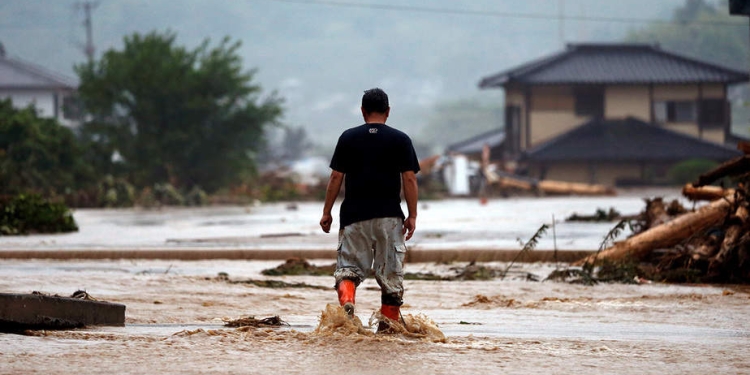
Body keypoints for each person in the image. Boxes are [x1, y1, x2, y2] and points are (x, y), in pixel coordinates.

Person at [319, 88, 420, 332]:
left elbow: (335, 177)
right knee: (390, 278)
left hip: (354, 217)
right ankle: (386, 330)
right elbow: (409, 180)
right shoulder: (401, 139)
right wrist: (413, 216)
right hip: (389, 217)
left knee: (348, 271)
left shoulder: (348, 138)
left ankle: (348, 303)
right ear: (388, 111)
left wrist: (327, 212)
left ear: (363, 111)